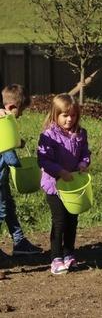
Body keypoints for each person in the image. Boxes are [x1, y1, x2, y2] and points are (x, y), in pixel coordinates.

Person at [37, 94, 91, 275]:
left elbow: (85, 152)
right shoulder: (48, 136)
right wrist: (60, 172)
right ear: (55, 115)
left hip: (73, 185)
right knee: (59, 222)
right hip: (55, 186)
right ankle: (56, 257)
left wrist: (84, 163)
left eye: (73, 115)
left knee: (72, 220)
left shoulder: (80, 134)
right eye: (65, 115)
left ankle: (69, 254)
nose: (69, 119)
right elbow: (44, 159)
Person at [0, 85, 43, 279]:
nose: (21, 115)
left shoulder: (4, 119)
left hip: (2, 178)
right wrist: (19, 166)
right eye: (21, 110)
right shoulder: (3, 122)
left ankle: (20, 242)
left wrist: (19, 141)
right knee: (1, 210)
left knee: (9, 207)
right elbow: (8, 153)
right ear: (11, 107)